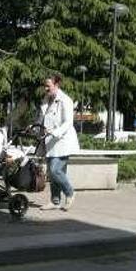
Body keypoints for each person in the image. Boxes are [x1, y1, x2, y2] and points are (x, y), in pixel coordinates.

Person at [38, 73, 80, 211]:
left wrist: (55, 132)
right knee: (53, 173)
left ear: (56, 85)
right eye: (45, 85)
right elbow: (41, 119)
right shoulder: (46, 100)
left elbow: (68, 122)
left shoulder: (65, 100)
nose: (46, 88)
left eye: (48, 86)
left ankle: (70, 193)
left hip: (63, 141)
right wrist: (34, 127)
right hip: (49, 142)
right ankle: (55, 201)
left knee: (55, 170)